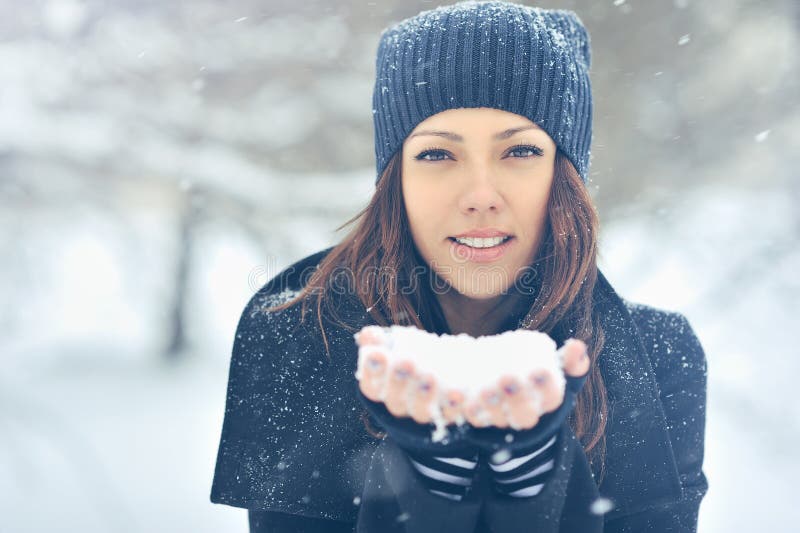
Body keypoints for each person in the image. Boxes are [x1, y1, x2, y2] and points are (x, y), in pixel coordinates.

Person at [210, 2, 709, 532]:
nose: (479, 196)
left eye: (519, 151)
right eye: (436, 155)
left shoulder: (655, 358)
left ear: (563, 174)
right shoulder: (301, 333)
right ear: (394, 177)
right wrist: (428, 483)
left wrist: (528, 483)